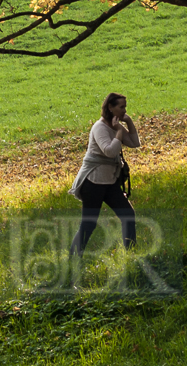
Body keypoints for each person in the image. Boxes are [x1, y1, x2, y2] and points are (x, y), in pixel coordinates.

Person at [68, 92, 140, 256]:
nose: (124, 110)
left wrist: (128, 121)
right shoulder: (99, 128)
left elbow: (135, 143)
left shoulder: (115, 126)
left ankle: (131, 255)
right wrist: (119, 134)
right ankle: (73, 257)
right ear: (110, 107)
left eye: (125, 107)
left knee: (128, 215)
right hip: (93, 182)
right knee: (89, 224)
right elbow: (109, 151)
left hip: (109, 182)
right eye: (121, 107)